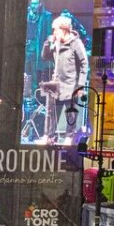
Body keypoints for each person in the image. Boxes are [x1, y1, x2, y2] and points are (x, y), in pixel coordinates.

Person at [41, 14, 89, 142]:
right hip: (55, 83)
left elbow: (84, 64)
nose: (54, 33)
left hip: (70, 84)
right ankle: (49, 136)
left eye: (55, 30)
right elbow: (44, 57)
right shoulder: (56, 43)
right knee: (50, 112)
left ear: (63, 30)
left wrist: (80, 85)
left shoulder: (75, 43)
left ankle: (69, 137)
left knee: (70, 113)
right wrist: (47, 43)